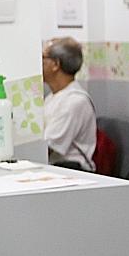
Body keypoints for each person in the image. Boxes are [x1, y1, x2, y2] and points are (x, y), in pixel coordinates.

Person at [42, 37, 96, 170]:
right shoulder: (53, 97)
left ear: (55, 64)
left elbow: (48, 147)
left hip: (73, 171)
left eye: (43, 58)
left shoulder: (74, 102)